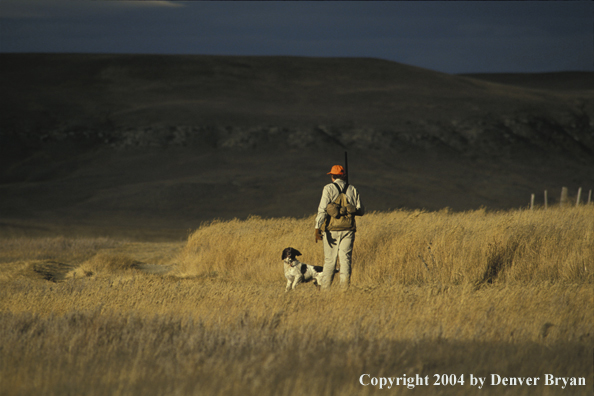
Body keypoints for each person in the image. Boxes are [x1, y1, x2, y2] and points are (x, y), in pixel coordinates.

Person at [314, 165, 364, 289]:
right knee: (345, 260)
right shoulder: (352, 188)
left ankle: (325, 290)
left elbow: (322, 209)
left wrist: (317, 227)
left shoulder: (328, 188)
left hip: (331, 230)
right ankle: (344, 290)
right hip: (348, 230)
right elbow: (361, 210)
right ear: (344, 175)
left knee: (330, 261)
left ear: (333, 176)